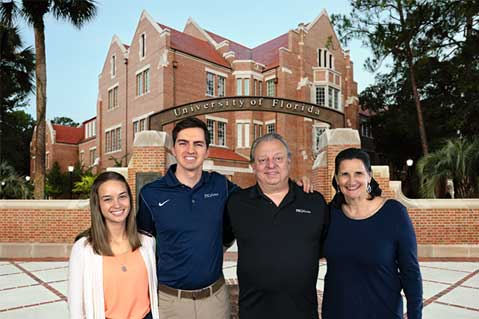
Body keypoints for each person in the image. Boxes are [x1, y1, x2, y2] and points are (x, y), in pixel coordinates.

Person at [137, 117, 312, 319]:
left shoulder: (220, 186)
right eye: (183, 143)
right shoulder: (151, 194)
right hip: (170, 302)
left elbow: (257, 198)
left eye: (198, 144)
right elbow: (142, 251)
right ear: (174, 149)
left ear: (207, 150)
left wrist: (293, 187)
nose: (190, 150)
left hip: (215, 300)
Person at [224, 133, 329, 319]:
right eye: (263, 160)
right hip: (254, 312)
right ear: (253, 166)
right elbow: (221, 241)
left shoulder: (314, 202)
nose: (271, 165)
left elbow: (325, 247)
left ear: (289, 162)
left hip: (302, 313)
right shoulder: (236, 203)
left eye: (278, 158)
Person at [321, 148, 423, 319]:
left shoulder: (393, 213)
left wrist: (415, 316)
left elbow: (410, 272)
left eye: (358, 173)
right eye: (345, 174)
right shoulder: (329, 215)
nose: (351, 180)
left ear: (369, 176)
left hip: (383, 313)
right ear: (337, 179)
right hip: (336, 313)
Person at [68, 171, 159, 319]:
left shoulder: (147, 242)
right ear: (98, 204)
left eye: (122, 196)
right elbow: (76, 307)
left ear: (130, 198)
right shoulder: (84, 248)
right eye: (108, 199)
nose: (117, 204)